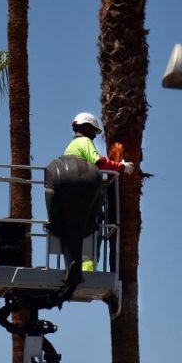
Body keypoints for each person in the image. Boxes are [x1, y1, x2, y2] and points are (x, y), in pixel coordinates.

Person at [63, 112, 133, 271]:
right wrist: (120, 167)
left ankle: (75, 267)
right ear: (86, 128)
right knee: (93, 229)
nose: (94, 136)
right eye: (93, 131)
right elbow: (99, 161)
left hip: (71, 199)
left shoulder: (70, 147)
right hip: (85, 200)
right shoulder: (84, 141)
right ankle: (88, 269)